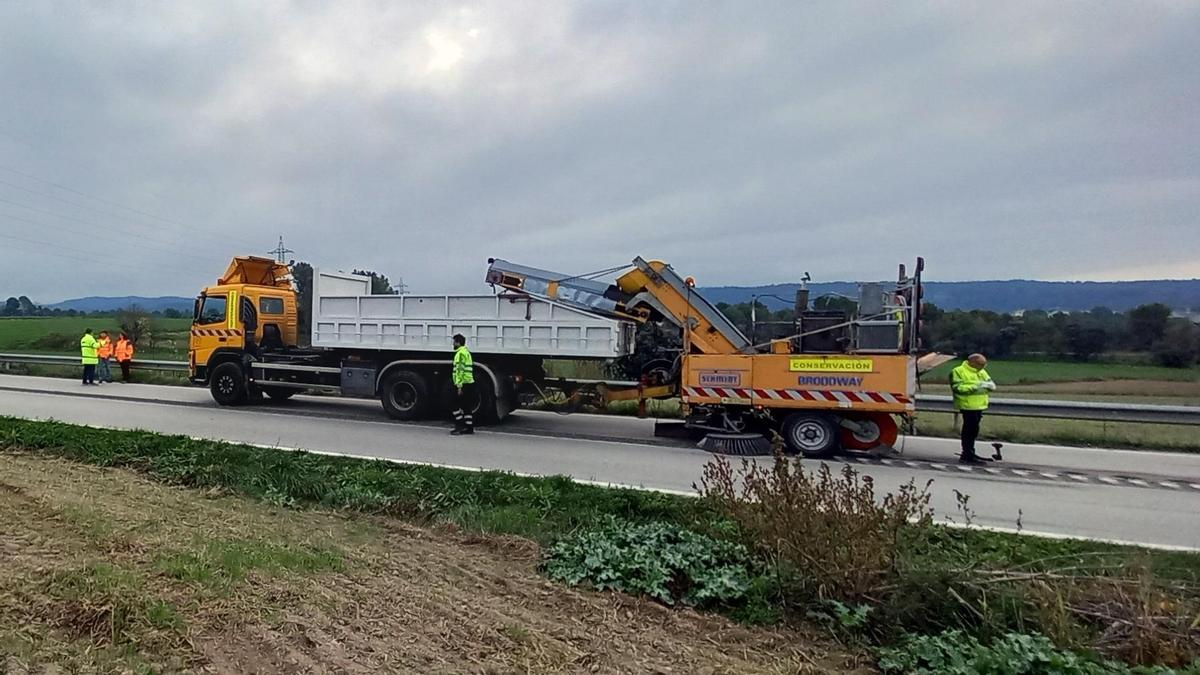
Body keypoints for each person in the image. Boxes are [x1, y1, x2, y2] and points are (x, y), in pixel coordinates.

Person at [950, 353, 996, 464]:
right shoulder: (958, 371)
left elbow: (990, 383)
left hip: (979, 405)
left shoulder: (981, 372)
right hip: (967, 405)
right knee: (969, 430)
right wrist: (976, 387)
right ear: (973, 362)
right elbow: (958, 388)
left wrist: (989, 386)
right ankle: (967, 453)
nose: (983, 367)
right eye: (981, 364)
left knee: (974, 430)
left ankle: (970, 452)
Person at [450, 333, 475, 435]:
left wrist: (459, 386)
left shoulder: (459, 354)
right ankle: (469, 428)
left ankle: (459, 426)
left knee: (454, 405)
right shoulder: (467, 352)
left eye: (454, 342)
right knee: (466, 407)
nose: (453, 344)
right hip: (469, 382)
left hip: (463, 383)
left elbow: (460, 370)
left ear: (458, 343)